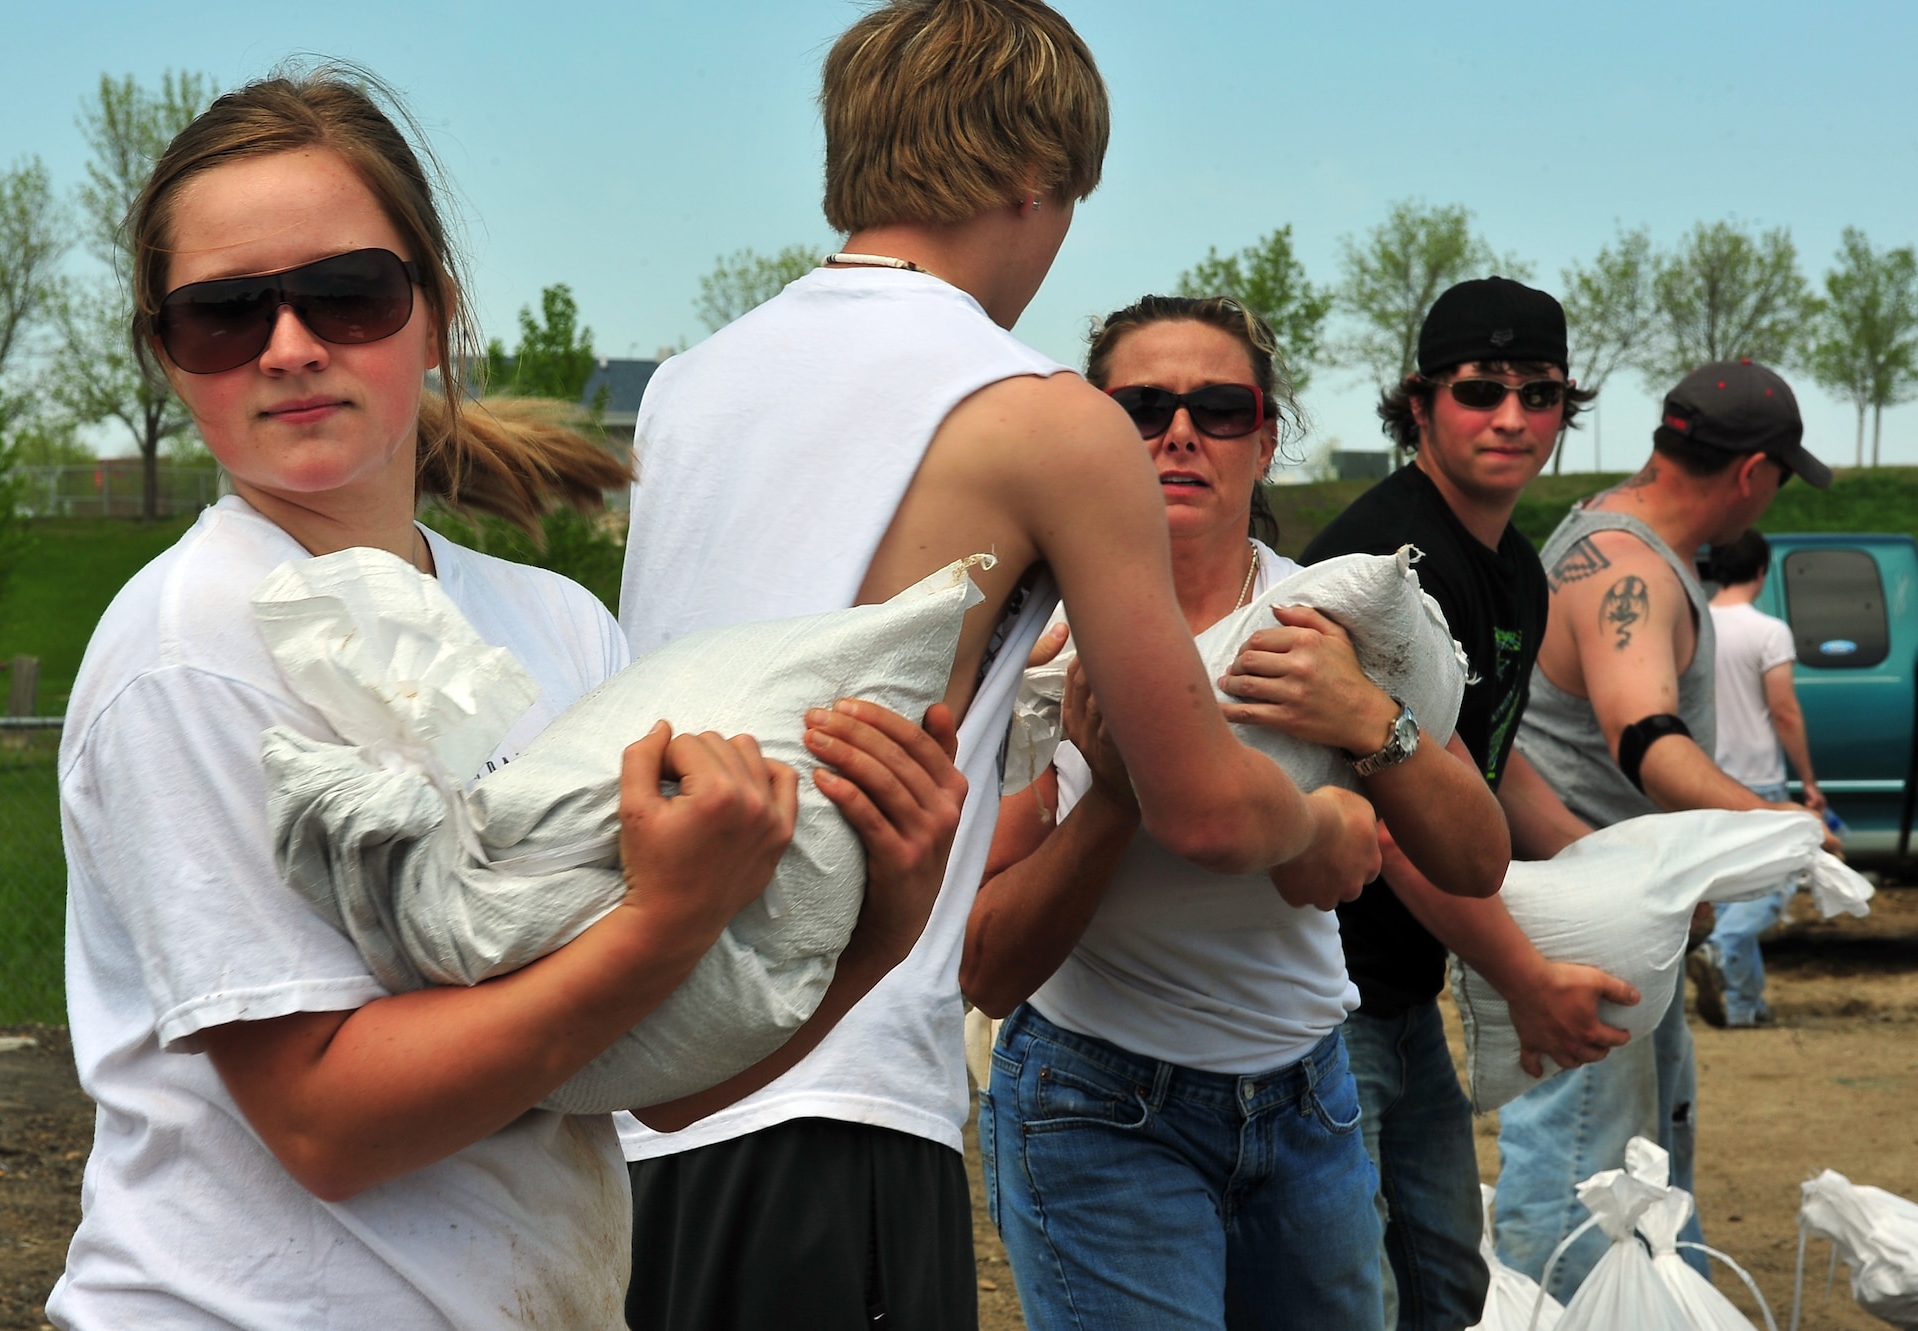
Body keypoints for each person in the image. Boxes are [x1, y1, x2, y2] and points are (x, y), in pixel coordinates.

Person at [48, 70, 964, 1331]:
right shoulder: (192, 641)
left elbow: (641, 1081)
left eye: (346, 293)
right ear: (167, 355)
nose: (291, 345)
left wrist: (875, 930)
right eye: (224, 315)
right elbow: (325, 1121)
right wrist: (659, 924)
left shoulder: (554, 622)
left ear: (434, 312)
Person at [615, 5, 1381, 1328]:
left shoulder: (691, 385)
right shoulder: (1038, 412)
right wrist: (1316, 812)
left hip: (637, 1069)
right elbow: (1196, 800)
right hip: (833, 1082)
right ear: (1035, 177)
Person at [963, 295, 1508, 1330]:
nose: (1178, 431)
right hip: (1092, 1110)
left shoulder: (1327, 617)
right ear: (1092, 432)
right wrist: (1111, 800)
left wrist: (1365, 716)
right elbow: (983, 966)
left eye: (1217, 407)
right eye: (1141, 406)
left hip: (1306, 1095)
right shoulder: (1024, 654)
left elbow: (1475, 857)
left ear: (1263, 440)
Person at [1297, 276, 1646, 1331]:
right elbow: (1404, 819)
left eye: (1537, 393)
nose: (1509, 417)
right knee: (1353, 1292)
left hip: (1401, 997)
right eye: (1477, 388)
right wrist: (1525, 977)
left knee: (1445, 1284)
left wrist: (1625, 877)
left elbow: (1483, 768)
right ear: (1418, 403)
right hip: (1322, 993)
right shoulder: (1387, 563)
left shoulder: (1511, 567)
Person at [1491, 360, 1837, 1300]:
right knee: (1579, 1170)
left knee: (1640, 1164)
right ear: (1754, 472)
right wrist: (1774, 824)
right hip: (1591, 927)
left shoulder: (1604, 534)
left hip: (1607, 909)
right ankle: (1544, 1318)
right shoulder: (1633, 567)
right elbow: (1647, 739)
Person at [1687, 528, 1828, 1028]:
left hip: (1703, 776)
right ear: (1762, 571)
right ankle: (1719, 952)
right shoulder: (1769, 631)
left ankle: (1747, 1006)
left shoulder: (1695, 624)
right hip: (1759, 780)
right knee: (1773, 888)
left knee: (1729, 894)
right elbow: (1784, 711)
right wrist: (1808, 781)